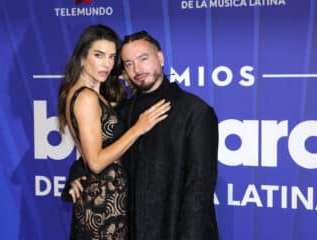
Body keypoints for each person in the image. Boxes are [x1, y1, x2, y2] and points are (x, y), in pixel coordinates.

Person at [64, 30, 219, 239]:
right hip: (129, 229)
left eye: (143, 58)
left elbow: (199, 193)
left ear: (161, 58)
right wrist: (78, 172)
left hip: (172, 230)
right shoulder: (124, 111)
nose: (137, 68)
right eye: (128, 63)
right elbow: (103, 153)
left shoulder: (195, 112)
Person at [58, 25, 171, 240]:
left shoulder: (95, 95)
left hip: (109, 202)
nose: (107, 64)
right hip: (102, 209)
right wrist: (139, 128)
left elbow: (93, 151)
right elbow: (96, 162)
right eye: (98, 55)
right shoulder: (86, 98)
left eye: (111, 57)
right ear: (82, 58)